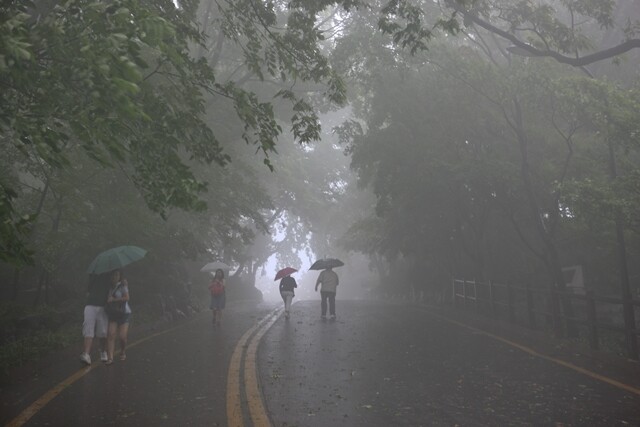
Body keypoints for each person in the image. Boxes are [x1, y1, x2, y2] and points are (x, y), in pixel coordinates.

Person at [80, 273, 110, 365]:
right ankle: (86, 354)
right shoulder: (93, 273)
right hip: (90, 305)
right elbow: (88, 290)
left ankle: (103, 351)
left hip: (103, 306)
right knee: (88, 328)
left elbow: (115, 285)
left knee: (103, 332)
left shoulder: (111, 272)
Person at [105, 269, 131, 365]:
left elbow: (127, 298)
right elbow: (107, 299)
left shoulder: (123, 285)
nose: (115, 277)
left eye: (117, 275)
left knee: (122, 337)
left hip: (124, 312)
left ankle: (123, 351)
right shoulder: (109, 287)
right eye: (113, 275)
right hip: (113, 313)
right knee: (111, 334)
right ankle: (110, 358)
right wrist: (109, 300)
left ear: (120, 276)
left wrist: (114, 299)